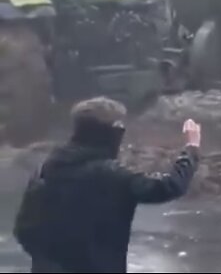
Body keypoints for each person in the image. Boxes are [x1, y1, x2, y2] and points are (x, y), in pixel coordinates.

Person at [13, 97, 202, 273]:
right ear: (114, 132)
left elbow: (23, 230)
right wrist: (191, 149)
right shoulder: (112, 175)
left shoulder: (48, 167)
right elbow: (168, 187)